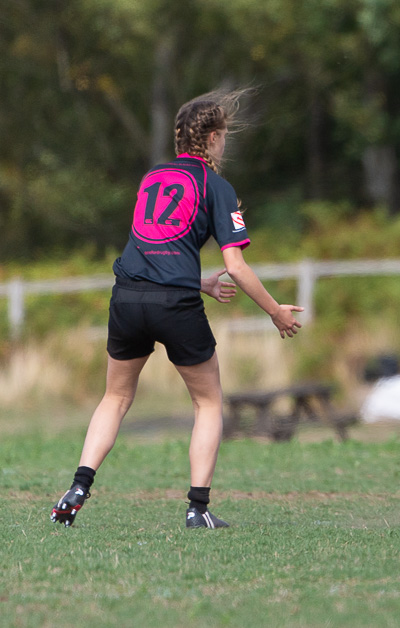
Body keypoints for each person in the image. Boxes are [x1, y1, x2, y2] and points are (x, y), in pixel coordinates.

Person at [50, 89, 303, 529]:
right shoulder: (217, 187)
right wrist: (274, 312)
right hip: (174, 305)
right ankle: (197, 508)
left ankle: (77, 487)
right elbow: (236, 267)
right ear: (214, 138)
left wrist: (199, 282)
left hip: (128, 296)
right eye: (225, 135)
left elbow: (155, 249)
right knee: (207, 402)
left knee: (115, 397)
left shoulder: (153, 176)